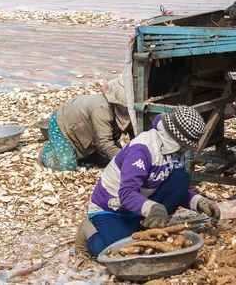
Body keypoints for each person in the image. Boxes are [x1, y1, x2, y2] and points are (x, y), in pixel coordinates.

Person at [74, 105, 221, 257]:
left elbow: (177, 189)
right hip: (111, 208)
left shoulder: (174, 153)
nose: (184, 150)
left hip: (140, 203)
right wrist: (153, 208)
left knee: (181, 177)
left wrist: (200, 202)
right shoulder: (142, 150)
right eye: (184, 146)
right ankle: (87, 231)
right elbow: (126, 193)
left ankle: (151, 227)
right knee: (117, 253)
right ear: (175, 140)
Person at [39, 76, 131, 171]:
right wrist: (127, 160)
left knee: (108, 160)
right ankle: (47, 152)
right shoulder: (101, 109)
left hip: (90, 132)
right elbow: (104, 143)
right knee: (66, 166)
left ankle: (82, 156)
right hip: (63, 126)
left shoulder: (125, 110)